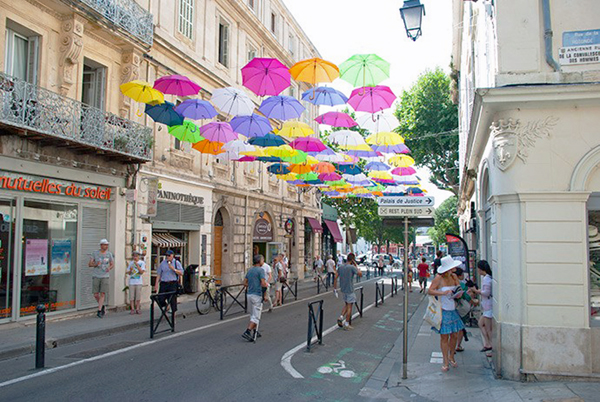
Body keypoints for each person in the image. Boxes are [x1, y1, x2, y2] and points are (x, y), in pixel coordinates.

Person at [428, 255, 465, 372]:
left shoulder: (454, 277)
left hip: (453, 309)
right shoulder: (439, 279)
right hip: (443, 310)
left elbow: (459, 289)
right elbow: (430, 290)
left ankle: (451, 356)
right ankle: (445, 361)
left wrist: (458, 293)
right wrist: (442, 293)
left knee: (454, 335)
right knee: (444, 336)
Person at [242, 254, 268, 341]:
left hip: (249, 294)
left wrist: (251, 285)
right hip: (257, 294)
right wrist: (265, 294)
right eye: (262, 260)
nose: (263, 261)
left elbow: (245, 282)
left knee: (252, 314)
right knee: (256, 315)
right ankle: (248, 331)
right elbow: (263, 283)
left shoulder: (250, 270)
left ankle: (255, 331)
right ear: (260, 261)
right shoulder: (261, 270)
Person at [469, 260, 493, 352]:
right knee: (481, 324)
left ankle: (490, 345)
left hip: (488, 307)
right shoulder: (487, 278)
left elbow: (486, 293)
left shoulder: (487, 279)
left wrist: (476, 291)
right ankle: (487, 344)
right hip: (487, 306)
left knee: (488, 328)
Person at [335, 253, 362, 330]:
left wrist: (335, 288)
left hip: (343, 289)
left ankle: (340, 317)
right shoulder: (352, 267)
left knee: (346, 304)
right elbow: (360, 274)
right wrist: (356, 265)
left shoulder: (341, 266)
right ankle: (346, 324)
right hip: (350, 289)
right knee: (350, 306)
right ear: (353, 259)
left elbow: (336, 277)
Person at [89, 239, 114, 318]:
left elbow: (112, 264)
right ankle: (102, 305)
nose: (106, 246)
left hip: (105, 276)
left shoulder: (109, 254)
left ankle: (99, 310)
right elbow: (89, 264)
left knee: (102, 293)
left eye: (107, 245)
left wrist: (109, 268)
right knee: (96, 294)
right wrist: (96, 264)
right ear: (101, 245)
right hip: (96, 275)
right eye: (104, 245)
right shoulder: (95, 253)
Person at [454, 267, 476, 352]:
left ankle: (452, 345)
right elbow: (466, 296)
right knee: (460, 327)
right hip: (461, 308)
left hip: (453, 308)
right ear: (459, 276)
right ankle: (458, 345)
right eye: (462, 274)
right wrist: (473, 302)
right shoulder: (461, 285)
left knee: (453, 328)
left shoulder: (451, 284)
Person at [127, 251, 145, 315]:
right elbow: (128, 272)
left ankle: (137, 308)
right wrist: (131, 270)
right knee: (131, 296)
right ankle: (132, 308)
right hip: (132, 281)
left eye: (136, 256)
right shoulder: (131, 263)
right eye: (134, 256)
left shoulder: (142, 263)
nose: (135, 257)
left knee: (138, 296)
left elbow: (142, 272)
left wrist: (137, 266)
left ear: (138, 257)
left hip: (139, 282)